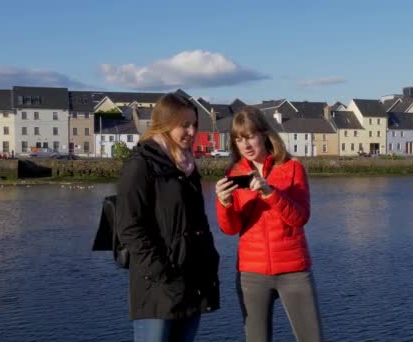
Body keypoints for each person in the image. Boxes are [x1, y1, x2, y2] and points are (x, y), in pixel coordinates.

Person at [116, 93, 220, 342]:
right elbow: (130, 227)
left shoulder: (187, 166)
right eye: (184, 125)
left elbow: (198, 221)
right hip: (157, 287)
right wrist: (161, 272)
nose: (192, 131)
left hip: (191, 280)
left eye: (194, 124)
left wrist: (209, 258)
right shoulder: (141, 164)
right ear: (164, 124)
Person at [216, 106, 323, 342]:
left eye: (250, 136)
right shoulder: (233, 173)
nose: (245, 144)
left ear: (264, 134)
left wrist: (269, 192)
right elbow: (230, 228)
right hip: (251, 273)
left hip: (293, 269)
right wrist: (224, 202)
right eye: (238, 139)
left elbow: (300, 218)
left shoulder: (291, 168)